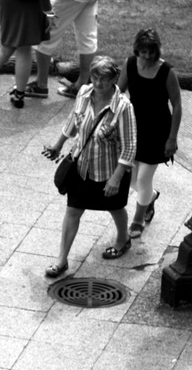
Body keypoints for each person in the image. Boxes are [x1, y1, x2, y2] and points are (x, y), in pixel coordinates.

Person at [42, 56, 136, 276]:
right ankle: (62, 260)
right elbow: (73, 122)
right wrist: (57, 145)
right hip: (82, 166)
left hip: (109, 170)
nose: (98, 83)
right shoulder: (84, 93)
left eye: (104, 78)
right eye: (95, 77)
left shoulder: (123, 107)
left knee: (114, 207)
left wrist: (116, 177)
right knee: (73, 210)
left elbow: (130, 146)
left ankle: (123, 238)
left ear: (114, 79)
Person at [118, 28, 181, 240]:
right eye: (143, 52)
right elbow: (118, 95)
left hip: (157, 131)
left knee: (143, 179)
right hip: (133, 128)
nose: (146, 56)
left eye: (150, 52)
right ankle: (151, 198)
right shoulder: (129, 64)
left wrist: (172, 138)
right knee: (134, 181)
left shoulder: (166, 71)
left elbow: (177, 104)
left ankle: (137, 219)